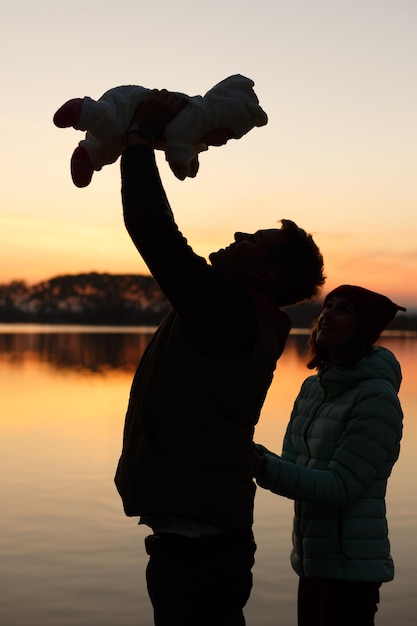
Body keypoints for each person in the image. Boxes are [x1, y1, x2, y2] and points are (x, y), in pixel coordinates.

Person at [114, 89, 325, 626]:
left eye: (253, 238)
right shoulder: (232, 312)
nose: (237, 234)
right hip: (198, 539)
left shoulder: (229, 313)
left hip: (201, 548)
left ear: (265, 274)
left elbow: (155, 234)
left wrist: (138, 140)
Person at [253, 284, 406, 626]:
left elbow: (340, 487)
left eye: (343, 310)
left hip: (351, 572)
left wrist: (259, 465)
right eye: (328, 306)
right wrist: (250, 453)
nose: (327, 315)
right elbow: (292, 465)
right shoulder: (312, 388)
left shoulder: (376, 399)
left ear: (363, 328)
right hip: (311, 564)